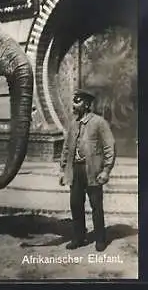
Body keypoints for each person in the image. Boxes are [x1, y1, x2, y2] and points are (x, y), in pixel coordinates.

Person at [59, 88, 116, 252]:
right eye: (74, 100)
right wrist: (63, 170)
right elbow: (66, 148)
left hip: (92, 171)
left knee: (96, 206)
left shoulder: (99, 122)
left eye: (78, 100)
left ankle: (100, 239)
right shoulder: (73, 124)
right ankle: (78, 237)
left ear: (87, 104)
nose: (74, 103)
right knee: (75, 205)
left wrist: (106, 170)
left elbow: (109, 147)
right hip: (75, 170)